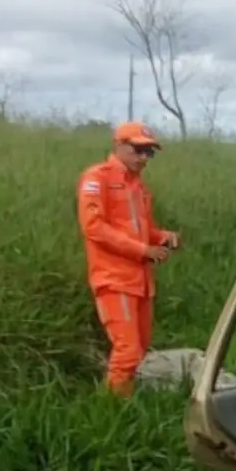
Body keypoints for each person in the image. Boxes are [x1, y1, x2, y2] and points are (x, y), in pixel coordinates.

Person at [76, 122, 181, 397]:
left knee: (139, 350)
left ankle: (124, 398)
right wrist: (143, 251)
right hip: (114, 279)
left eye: (150, 152)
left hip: (141, 282)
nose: (144, 157)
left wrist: (164, 237)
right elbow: (94, 227)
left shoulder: (140, 188)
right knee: (128, 350)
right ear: (119, 146)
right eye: (138, 150)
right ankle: (111, 408)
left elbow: (145, 230)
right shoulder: (96, 177)